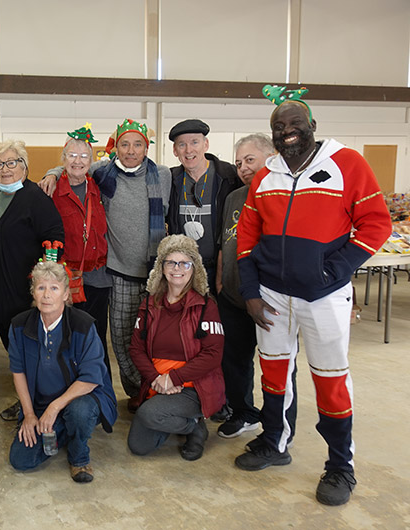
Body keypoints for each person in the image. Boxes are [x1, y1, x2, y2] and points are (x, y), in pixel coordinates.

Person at [234, 86, 392, 506]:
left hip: (323, 297)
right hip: (272, 295)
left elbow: (376, 224)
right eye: (279, 126)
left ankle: (340, 466)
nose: (287, 132)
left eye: (294, 124)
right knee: (273, 374)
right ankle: (274, 442)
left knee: (330, 379)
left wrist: (333, 270)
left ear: (312, 127)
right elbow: (247, 236)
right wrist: (251, 289)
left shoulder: (346, 164)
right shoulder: (266, 174)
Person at [39, 119, 172, 408]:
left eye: (138, 144)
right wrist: (52, 172)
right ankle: (135, 393)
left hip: (155, 272)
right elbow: (71, 165)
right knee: (121, 339)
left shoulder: (162, 174)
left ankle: (156, 390)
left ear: (146, 147)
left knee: (154, 339)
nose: (131, 150)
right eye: (124, 144)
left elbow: (167, 214)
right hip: (117, 272)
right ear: (115, 148)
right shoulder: (103, 172)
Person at [8, 261, 117, 483]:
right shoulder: (19, 325)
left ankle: (79, 456)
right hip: (40, 403)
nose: (47, 295)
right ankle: (64, 429)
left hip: (82, 399)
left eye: (54, 288)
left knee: (79, 412)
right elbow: (18, 371)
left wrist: (55, 407)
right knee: (21, 460)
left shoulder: (83, 325)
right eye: (41, 288)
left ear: (66, 294)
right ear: (34, 293)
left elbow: (91, 378)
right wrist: (29, 415)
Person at [0, 139, 64, 422]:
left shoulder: (35, 198)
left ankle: (40, 405)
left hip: (22, 291)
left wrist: (42, 286)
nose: (5, 169)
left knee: (31, 351)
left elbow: (54, 238)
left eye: (11, 163)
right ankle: (29, 399)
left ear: (25, 167)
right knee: (13, 348)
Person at [127, 235, 225, 461]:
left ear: (194, 268)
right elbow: (136, 348)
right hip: (158, 383)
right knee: (139, 446)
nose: (177, 268)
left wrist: (174, 378)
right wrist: (156, 379)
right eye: (171, 262)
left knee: (149, 413)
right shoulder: (149, 304)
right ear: (161, 267)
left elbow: (213, 355)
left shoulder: (205, 306)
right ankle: (183, 422)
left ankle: (195, 425)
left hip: (194, 386)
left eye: (185, 263)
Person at [213, 133, 274, 439]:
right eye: (239, 163)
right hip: (234, 296)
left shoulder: (282, 195)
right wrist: (222, 278)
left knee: (278, 366)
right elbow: (226, 240)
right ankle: (243, 412)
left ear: (271, 156)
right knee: (235, 360)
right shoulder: (235, 198)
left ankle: (277, 428)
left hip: (271, 299)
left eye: (250, 160)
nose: (243, 168)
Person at [50, 125, 111, 373]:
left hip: (97, 276)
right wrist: (52, 174)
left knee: (96, 336)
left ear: (91, 160)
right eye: (72, 155)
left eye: (84, 156)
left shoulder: (98, 184)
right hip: (66, 277)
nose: (78, 161)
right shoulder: (51, 190)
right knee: (65, 338)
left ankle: (101, 388)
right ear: (63, 158)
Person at [167, 119, 241, 293]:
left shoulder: (229, 177)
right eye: (182, 145)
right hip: (184, 271)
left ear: (206, 144)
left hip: (220, 269)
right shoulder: (170, 179)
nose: (189, 150)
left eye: (195, 142)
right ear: (175, 150)